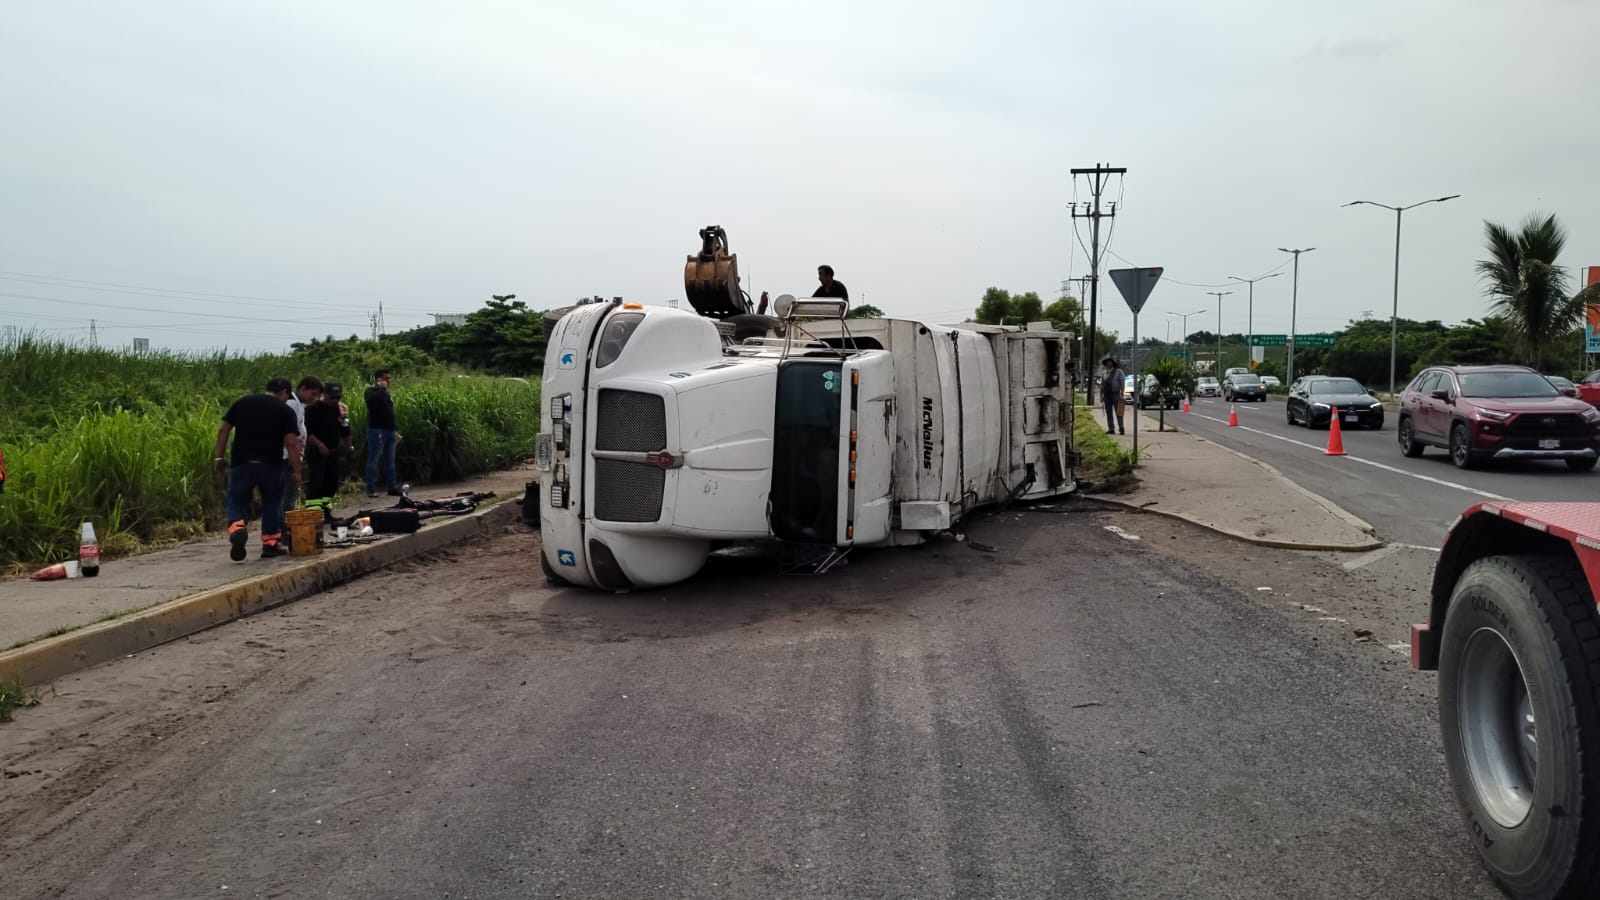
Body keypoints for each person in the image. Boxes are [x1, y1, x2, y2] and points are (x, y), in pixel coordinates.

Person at [214, 378, 301, 561]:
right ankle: (270, 545)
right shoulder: (285, 410)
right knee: (271, 503)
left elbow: (223, 430)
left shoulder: (243, 402)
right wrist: (296, 470)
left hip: (242, 464)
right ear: (284, 392)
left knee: (236, 500)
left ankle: (237, 528)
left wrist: (219, 458)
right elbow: (292, 443)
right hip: (271, 465)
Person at [304, 380, 350, 502]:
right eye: (332, 397)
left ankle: (326, 512)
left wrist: (348, 447)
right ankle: (313, 514)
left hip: (333, 451)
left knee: (331, 483)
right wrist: (320, 445)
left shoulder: (339, 409)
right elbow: (306, 432)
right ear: (324, 394)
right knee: (317, 483)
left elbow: (345, 429)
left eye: (338, 397)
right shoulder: (312, 409)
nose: (335, 400)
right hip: (317, 452)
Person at [283, 376, 323, 512]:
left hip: (293, 455)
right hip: (288, 456)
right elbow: (290, 436)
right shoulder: (292, 404)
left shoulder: (300, 405)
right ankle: (284, 528)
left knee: (290, 496)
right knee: (288, 497)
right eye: (313, 394)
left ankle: (286, 527)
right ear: (303, 388)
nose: (315, 398)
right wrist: (294, 461)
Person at [364, 369, 401, 498]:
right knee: (374, 459)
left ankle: (392, 486)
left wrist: (394, 430)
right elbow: (371, 402)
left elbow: (388, 412)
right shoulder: (371, 392)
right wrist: (380, 389)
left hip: (390, 431)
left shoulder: (386, 394)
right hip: (377, 430)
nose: (388, 381)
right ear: (378, 380)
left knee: (390, 460)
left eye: (389, 378)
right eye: (386, 378)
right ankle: (371, 488)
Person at [1100, 357, 1127, 435]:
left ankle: (1121, 428)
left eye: (1110, 362)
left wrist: (1122, 394)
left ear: (1113, 363)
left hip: (1116, 394)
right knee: (1108, 412)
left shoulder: (1119, 372)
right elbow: (1102, 385)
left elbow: (1122, 383)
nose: (1108, 363)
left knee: (1119, 412)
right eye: (1107, 362)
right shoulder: (1104, 373)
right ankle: (1111, 428)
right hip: (1107, 395)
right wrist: (1101, 396)